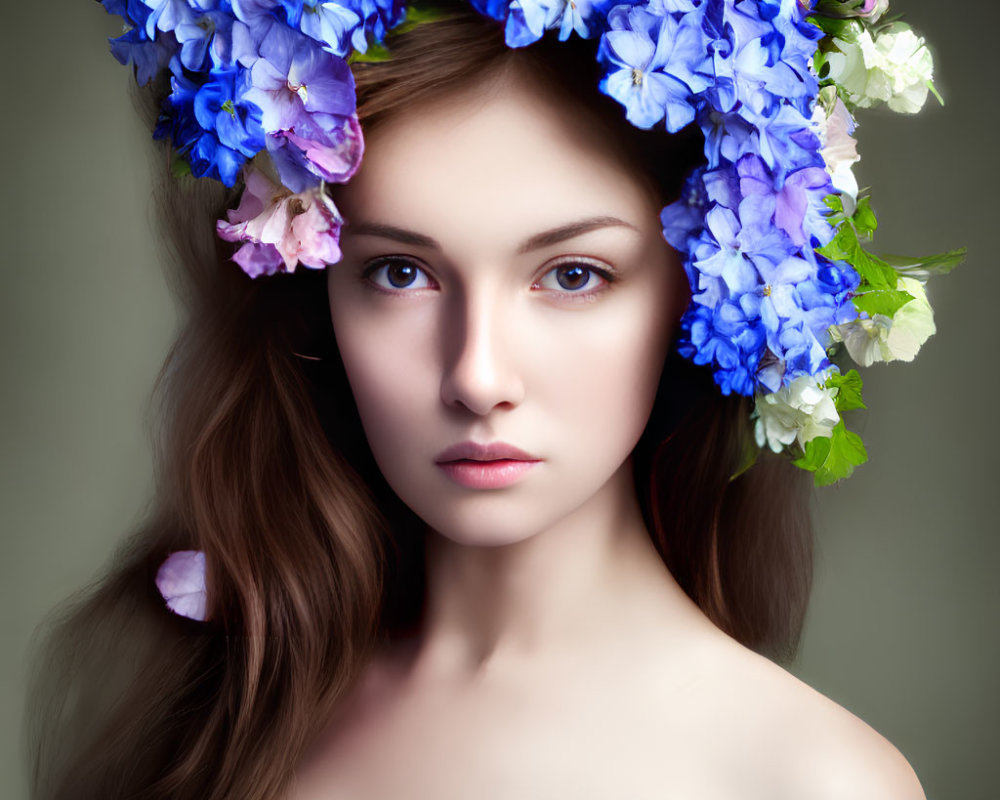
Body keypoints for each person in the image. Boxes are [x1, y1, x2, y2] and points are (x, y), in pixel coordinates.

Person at [27, 1, 952, 798]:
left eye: (574, 275)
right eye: (399, 273)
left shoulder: (813, 783)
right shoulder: (212, 708)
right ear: (317, 288)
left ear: (700, 286)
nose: (477, 376)